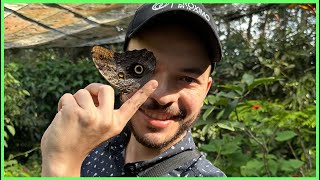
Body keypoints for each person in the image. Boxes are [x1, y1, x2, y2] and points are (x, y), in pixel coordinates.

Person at [41, 3, 226, 177]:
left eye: (187, 79)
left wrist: (60, 168)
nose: (161, 96)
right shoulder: (88, 144)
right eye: (141, 69)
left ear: (206, 89)